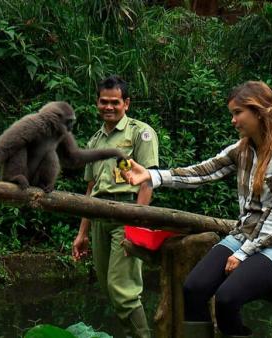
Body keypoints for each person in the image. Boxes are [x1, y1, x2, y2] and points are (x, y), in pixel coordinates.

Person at [122, 81, 272, 338]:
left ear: (258, 111)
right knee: (193, 288)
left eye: (237, 113)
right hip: (245, 235)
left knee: (227, 298)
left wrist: (243, 254)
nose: (233, 120)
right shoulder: (242, 149)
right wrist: (152, 176)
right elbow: (203, 172)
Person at [72, 75, 159, 338]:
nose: (108, 107)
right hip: (99, 217)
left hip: (126, 215)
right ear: (97, 103)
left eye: (115, 102)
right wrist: (82, 233)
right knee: (109, 288)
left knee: (123, 290)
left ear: (126, 103)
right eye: (103, 102)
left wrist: (136, 223)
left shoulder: (139, 133)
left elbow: (149, 181)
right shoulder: (95, 141)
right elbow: (91, 188)